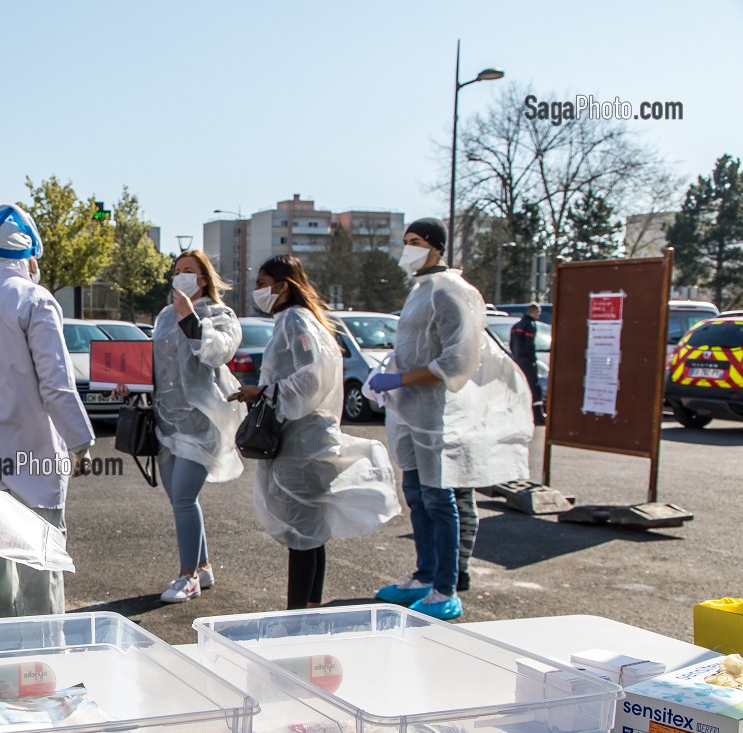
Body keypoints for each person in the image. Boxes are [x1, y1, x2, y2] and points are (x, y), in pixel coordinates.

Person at [367, 218, 531, 620]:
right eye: (405, 242)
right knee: (417, 495)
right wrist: (388, 374)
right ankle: (424, 576)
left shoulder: (452, 291)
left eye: (417, 242)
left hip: (436, 411)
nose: (409, 249)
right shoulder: (420, 290)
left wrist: (402, 377)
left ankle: (445, 588)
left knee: (441, 500)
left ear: (437, 248)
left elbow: (458, 360)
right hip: (409, 410)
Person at [0, 204, 95, 617]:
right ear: (30, 257)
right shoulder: (35, 301)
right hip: (34, 458)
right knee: (40, 568)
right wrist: (81, 442)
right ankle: (44, 663)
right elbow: (57, 384)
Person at [229, 256, 399, 609]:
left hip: (301, 443)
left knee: (302, 535)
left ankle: (297, 617)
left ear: (283, 285)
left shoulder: (294, 320)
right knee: (311, 532)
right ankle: (309, 608)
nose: (257, 290)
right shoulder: (302, 320)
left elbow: (312, 376)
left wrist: (264, 392)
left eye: (262, 282)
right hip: (309, 438)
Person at [148, 250, 244, 603]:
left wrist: (190, 317)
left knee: (185, 498)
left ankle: (187, 576)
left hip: (202, 423)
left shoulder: (220, 315)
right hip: (167, 420)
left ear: (204, 279)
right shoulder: (162, 317)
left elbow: (218, 353)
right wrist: (129, 382)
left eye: (189, 271)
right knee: (179, 498)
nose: (181, 276)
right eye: (177, 271)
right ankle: (202, 567)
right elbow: (156, 364)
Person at [510, 302, 545, 423]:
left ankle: (519, 413)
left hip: (518, 360)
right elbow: (530, 345)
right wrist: (533, 360)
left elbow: (512, 344)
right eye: (538, 312)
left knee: (521, 386)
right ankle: (538, 416)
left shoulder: (516, 325)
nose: (538, 315)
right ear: (534, 311)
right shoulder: (530, 325)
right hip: (527, 361)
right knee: (534, 387)